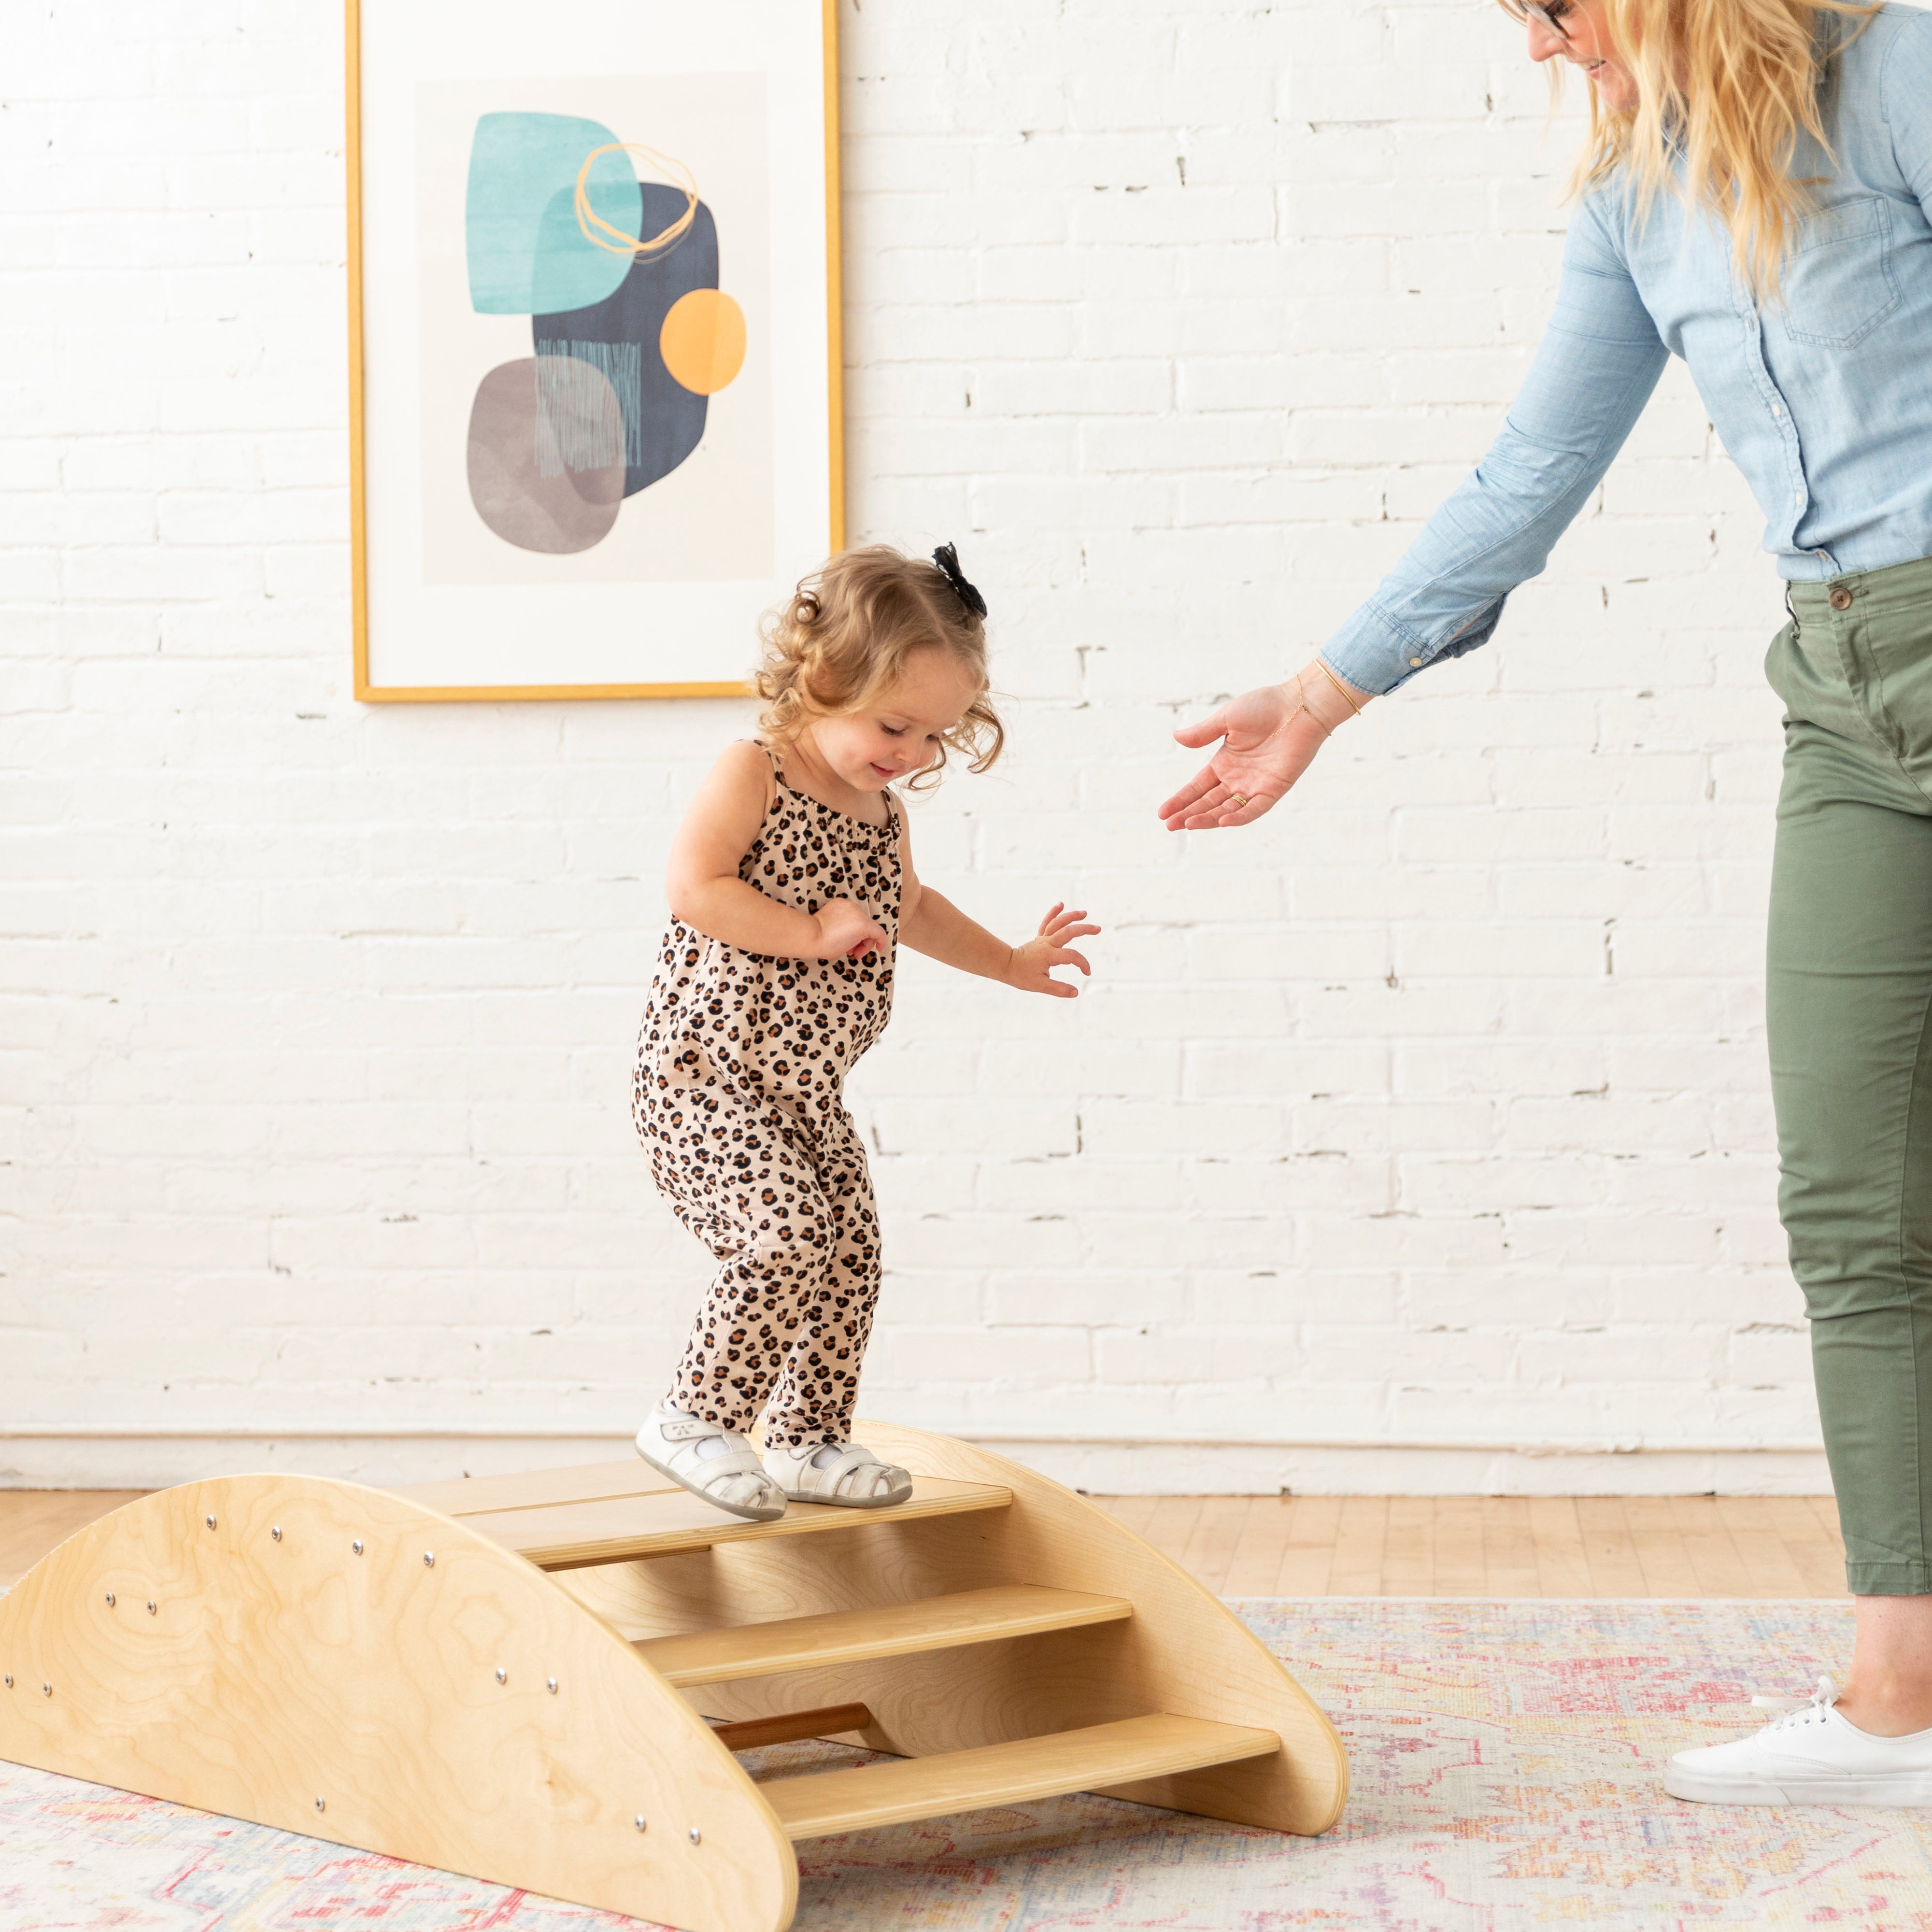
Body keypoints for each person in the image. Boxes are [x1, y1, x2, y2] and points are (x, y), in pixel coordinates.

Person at [1160, 0, 1932, 1804]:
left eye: (1552, 7)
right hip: (1840, 694)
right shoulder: (1636, 190)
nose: (1533, 48)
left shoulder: (1901, 70)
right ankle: (1907, 1702)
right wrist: (1323, 691)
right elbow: (1532, 470)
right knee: (1853, 1201)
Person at [632, 544, 1099, 1520]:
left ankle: (805, 1438)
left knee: (848, 1250)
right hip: (705, 1076)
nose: (915, 752)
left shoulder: (879, 814)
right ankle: (692, 1413)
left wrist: (1011, 961)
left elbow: (912, 906)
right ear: (823, 678)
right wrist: (807, 932)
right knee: (784, 1233)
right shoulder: (751, 771)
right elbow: (694, 886)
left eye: (935, 734)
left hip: (805, 1089)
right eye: (896, 725)